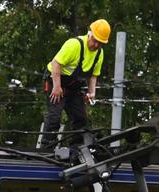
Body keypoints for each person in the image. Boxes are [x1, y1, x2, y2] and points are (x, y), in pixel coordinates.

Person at [39, 19, 111, 150]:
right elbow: (56, 64)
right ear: (89, 34)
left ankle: (77, 148)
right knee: (54, 117)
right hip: (54, 79)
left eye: (100, 43)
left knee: (80, 118)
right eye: (95, 40)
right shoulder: (74, 45)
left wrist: (92, 92)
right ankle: (47, 148)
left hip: (73, 86)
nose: (96, 45)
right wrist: (56, 87)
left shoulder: (99, 54)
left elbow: (94, 75)